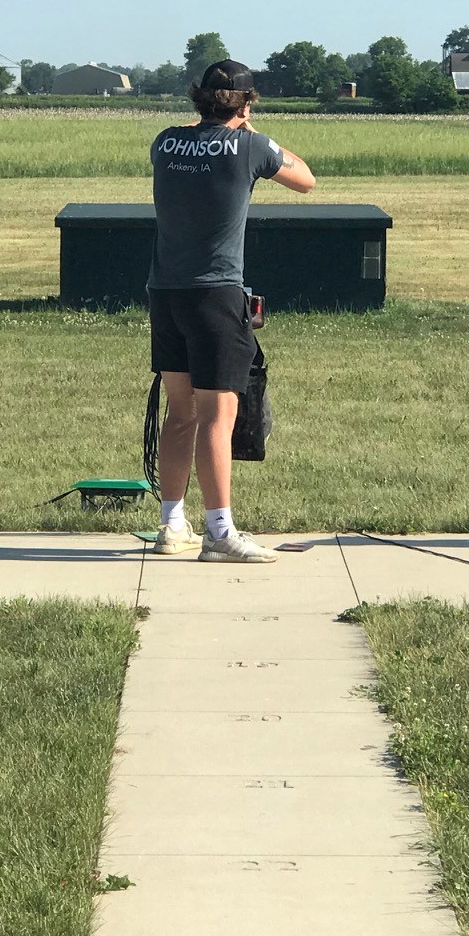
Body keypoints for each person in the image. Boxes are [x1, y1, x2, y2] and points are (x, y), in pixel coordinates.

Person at [147, 60, 316, 562]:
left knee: (181, 414)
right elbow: (306, 179)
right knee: (219, 415)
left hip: (167, 291)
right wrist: (254, 132)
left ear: (199, 98)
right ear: (246, 103)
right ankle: (220, 532)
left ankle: (171, 525)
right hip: (217, 293)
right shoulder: (251, 146)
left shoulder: (164, 142)